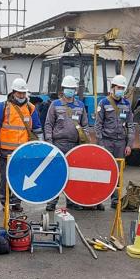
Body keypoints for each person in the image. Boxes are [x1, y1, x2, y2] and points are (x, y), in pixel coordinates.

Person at [0, 78, 43, 212]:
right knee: (6, 178)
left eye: (23, 93)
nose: (22, 96)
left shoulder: (31, 108)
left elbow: (37, 129)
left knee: (21, 178)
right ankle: (5, 202)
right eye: (19, 93)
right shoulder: (3, 106)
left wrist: (40, 146)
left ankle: (16, 203)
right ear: (13, 92)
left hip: (23, 151)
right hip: (5, 150)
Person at [44, 75, 92, 211]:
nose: (70, 90)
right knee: (56, 174)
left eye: (72, 88)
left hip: (74, 145)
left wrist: (85, 143)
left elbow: (85, 126)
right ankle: (52, 202)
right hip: (58, 144)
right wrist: (49, 142)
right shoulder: (55, 105)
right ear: (63, 89)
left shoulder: (80, 106)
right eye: (68, 88)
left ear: (75, 90)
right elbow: (48, 124)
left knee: (73, 174)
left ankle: (71, 202)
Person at [95, 74, 133, 209]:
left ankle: (115, 199)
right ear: (112, 88)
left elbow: (130, 126)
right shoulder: (103, 103)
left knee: (117, 172)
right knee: (103, 171)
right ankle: (99, 199)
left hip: (120, 143)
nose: (120, 90)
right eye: (119, 87)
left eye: (123, 88)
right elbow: (98, 125)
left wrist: (129, 145)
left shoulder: (127, 104)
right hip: (106, 142)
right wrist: (100, 144)